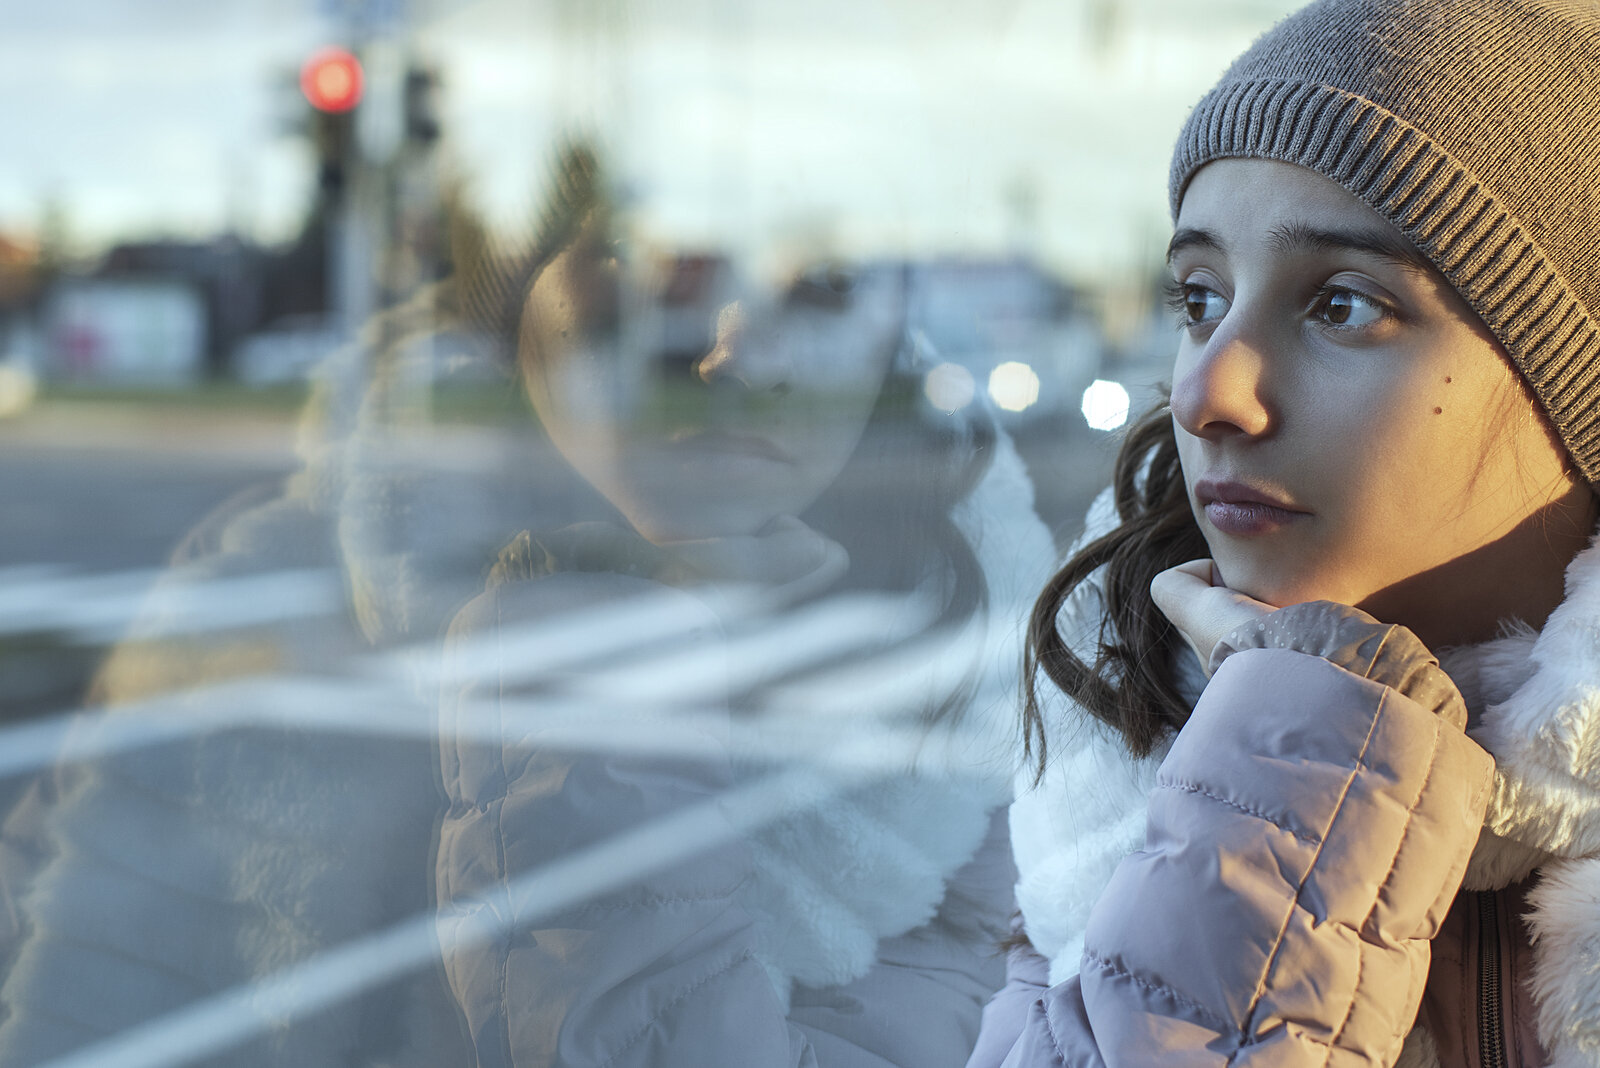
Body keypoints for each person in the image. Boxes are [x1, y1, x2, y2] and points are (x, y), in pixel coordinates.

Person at [968, 1, 1600, 1065]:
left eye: (1343, 305)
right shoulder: (1111, 814)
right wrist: (1289, 787)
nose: (1209, 391)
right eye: (1199, 295)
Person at [425, 143, 1056, 1067]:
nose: (732, 357)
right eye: (655, 274)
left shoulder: (999, 684)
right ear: (520, 312)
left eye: (823, 287)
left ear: (894, 345)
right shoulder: (286, 645)